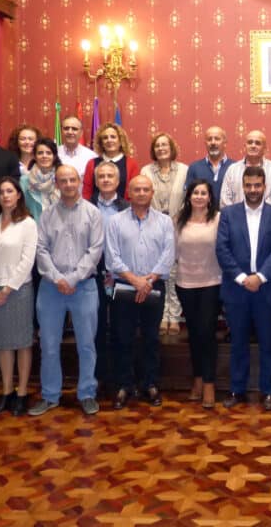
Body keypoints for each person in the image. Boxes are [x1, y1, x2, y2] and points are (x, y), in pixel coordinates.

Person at [29, 165, 104, 416]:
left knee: (86, 344)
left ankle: (87, 393)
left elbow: (95, 252)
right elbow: (40, 250)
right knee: (49, 344)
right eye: (63, 180)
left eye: (72, 180)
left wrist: (72, 278)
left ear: (80, 181)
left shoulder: (93, 214)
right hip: (51, 288)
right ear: (57, 184)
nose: (69, 184)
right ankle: (50, 395)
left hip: (84, 286)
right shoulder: (47, 215)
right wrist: (58, 278)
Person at [216, 166, 271, 411]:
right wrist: (243, 278)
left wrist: (261, 277)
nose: (253, 190)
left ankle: (270, 392)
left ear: (264, 187)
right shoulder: (228, 214)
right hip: (237, 290)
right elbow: (222, 250)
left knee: (268, 343)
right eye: (249, 185)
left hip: (266, 290)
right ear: (242, 186)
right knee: (238, 343)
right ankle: (237, 390)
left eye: (257, 185)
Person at [105, 175, 175, 409]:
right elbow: (111, 257)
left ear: (152, 192)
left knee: (151, 338)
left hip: (154, 287)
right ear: (129, 193)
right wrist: (135, 280)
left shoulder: (165, 222)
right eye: (137, 189)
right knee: (122, 338)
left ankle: (150, 384)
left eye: (146, 189)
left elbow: (168, 254)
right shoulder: (115, 221)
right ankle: (124, 385)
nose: (142, 193)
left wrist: (149, 279)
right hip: (123, 286)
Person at [0, 177, 38, 416]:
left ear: (18, 195)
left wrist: (8, 289)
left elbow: (27, 261)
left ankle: (22, 393)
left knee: (22, 343)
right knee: (2, 344)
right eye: (1, 192)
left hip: (18, 290)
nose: (5, 196)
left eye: (10, 191)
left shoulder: (27, 223)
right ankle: (6, 391)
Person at [174, 179, 222, 408]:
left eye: (204, 193)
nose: (199, 196)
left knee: (207, 333)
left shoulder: (218, 219)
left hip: (212, 283)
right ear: (189, 196)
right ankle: (198, 380)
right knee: (193, 334)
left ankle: (210, 384)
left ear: (210, 197)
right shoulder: (178, 221)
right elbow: (172, 253)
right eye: (195, 193)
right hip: (185, 284)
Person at [140, 132, 188, 335]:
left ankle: (174, 316)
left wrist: (178, 217)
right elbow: (143, 196)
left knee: (175, 271)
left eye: (165, 145)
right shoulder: (146, 170)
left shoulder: (185, 170)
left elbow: (190, 195)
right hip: (153, 226)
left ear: (171, 148)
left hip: (179, 226)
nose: (161, 148)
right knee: (158, 270)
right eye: (157, 145)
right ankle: (161, 315)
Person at [91, 161, 130, 393]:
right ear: (96, 181)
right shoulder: (85, 207)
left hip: (122, 275)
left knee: (121, 328)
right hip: (93, 275)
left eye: (110, 176)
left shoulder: (127, 207)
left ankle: (121, 380)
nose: (105, 179)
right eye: (101, 176)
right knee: (95, 329)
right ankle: (98, 378)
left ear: (117, 181)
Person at [219, 130, 271, 207]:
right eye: (250, 142)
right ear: (245, 146)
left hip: (265, 218)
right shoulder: (232, 170)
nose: (253, 146)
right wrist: (237, 214)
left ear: (265, 148)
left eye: (258, 143)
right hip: (236, 218)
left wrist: (255, 212)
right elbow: (224, 199)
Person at [82, 122, 140, 202]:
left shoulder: (131, 164)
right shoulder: (91, 163)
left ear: (120, 141)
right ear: (101, 143)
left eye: (113, 137)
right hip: (96, 211)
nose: (109, 140)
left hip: (124, 210)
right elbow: (86, 192)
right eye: (105, 138)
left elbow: (134, 192)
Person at [185, 126, 234, 204]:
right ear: (205, 143)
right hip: (201, 215)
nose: (213, 142)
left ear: (225, 142)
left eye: (217, 139)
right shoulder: (194, 167)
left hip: (227, 215)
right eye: (209, 139)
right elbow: (188, 197)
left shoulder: (234, 167)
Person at [20, 137, 61, 222]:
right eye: (40, 153)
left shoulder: (61, 178)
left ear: (54, 156)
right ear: (34, 156)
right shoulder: (24, 181)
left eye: (48, 153)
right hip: (34, 229)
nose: (44, 156)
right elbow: (21, 208)